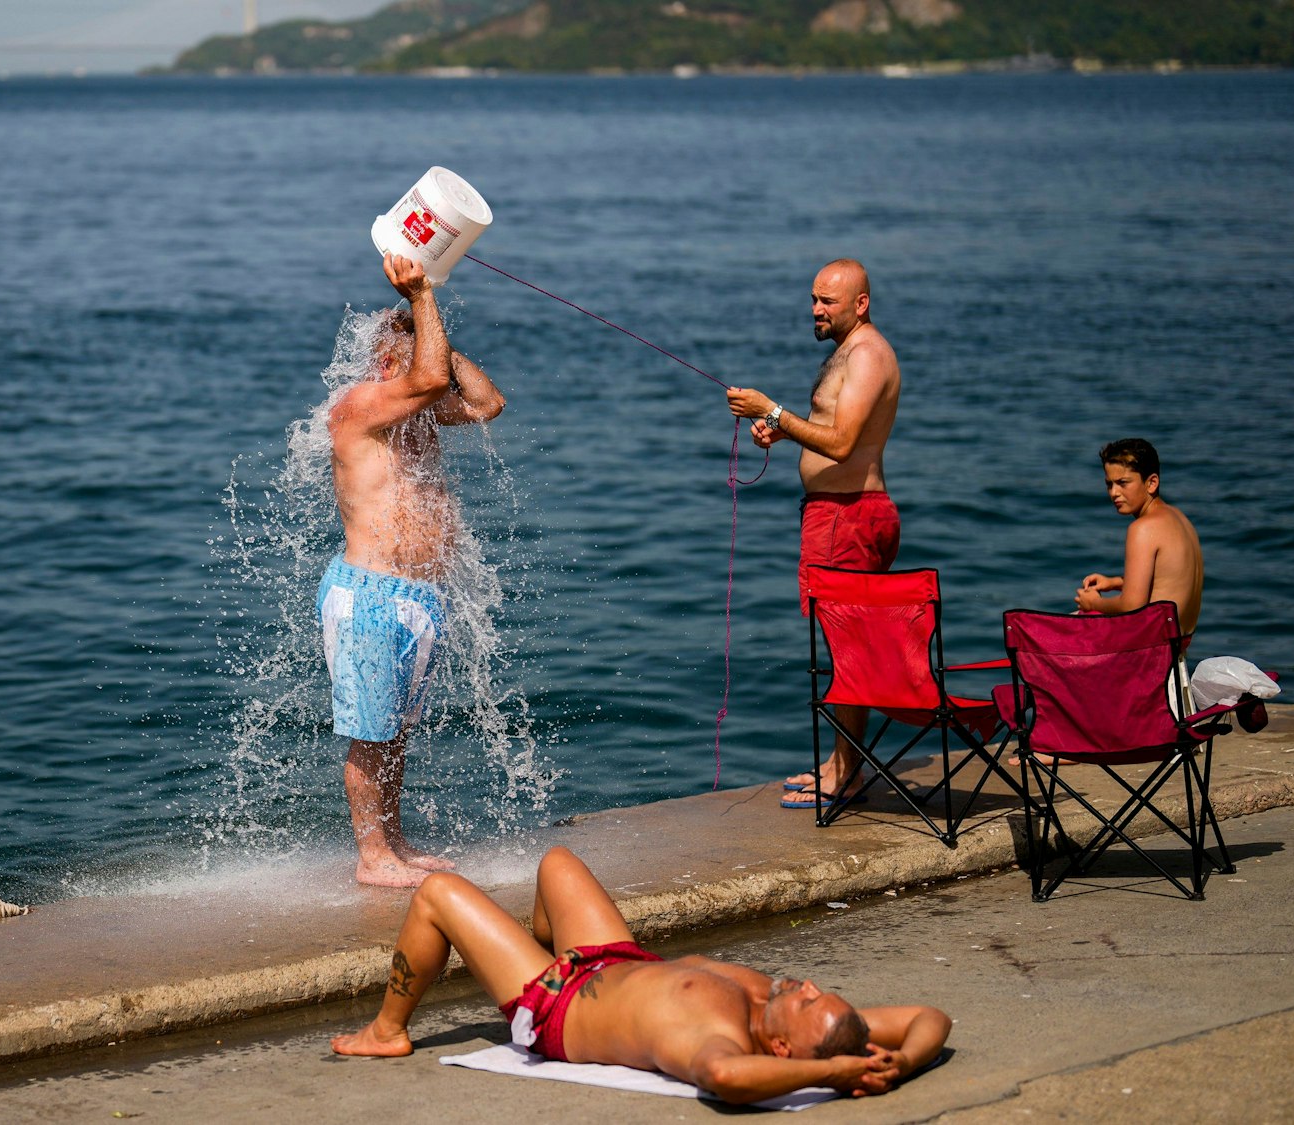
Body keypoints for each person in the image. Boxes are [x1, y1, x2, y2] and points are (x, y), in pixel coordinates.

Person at [332, 847, 952, 1104]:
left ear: (786, 1048)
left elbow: (725, 1078)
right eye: (819, 991)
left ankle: (388, 1029)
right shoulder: (783, 1005)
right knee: (557, 863)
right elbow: (932, 1019)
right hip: (615, 961)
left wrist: (835, 1074)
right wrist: (904, 1062)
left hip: (560, 1007)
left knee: (438, 892)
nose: (807, 986)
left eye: (809, 1002)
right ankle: (522, 950)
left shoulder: (726, 1042)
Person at [319, 252, 506, 887]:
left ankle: (393, 843)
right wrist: (423, 298)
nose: (430, 371)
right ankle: (371, 857)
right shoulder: (360, 406)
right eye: (410, 356)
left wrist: (434, 335)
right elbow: (427, 381)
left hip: (416, 597)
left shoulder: (420, 409)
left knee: (394, 734)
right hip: (369, 594)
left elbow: (487, 402)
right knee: (369, 736)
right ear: (383, 362)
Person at [724, 259, 902, 809]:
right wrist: (781, 433)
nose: (816, 310)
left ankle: (846, 771)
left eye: (827, 301)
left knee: (848, 645)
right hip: (833, 514)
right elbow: (829, 431)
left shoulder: (869, 354)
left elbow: (845, 443)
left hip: (849, 516)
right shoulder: (847, 353)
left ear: (861, 303)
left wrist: (772, 411)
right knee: (840, 643)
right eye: (814, 299)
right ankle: (839, 761)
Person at [1076, 438, 1203, 635]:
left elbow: (1131, 606)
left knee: (1067, 627)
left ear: (1151, 483)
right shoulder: (1179, 518)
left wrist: (1094, 602)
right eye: (1109, 484)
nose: (1114, 493)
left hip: (1151, 650)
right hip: (1178, 642)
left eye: (1122, 483)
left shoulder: (1143, 528)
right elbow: (1168, 579)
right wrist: (1115, 582)